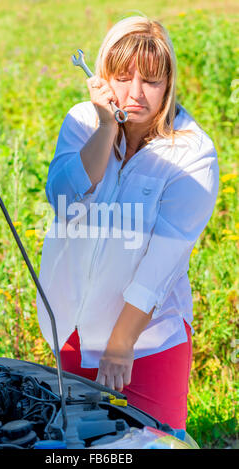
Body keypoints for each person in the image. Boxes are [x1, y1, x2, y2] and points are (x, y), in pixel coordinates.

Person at [36, 16, 219, 430]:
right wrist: (106, 125)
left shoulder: (193, 154)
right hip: (74, 327)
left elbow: (163, 261)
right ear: (101, 76)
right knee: (76, 444)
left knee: (153, 440)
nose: (135, 93)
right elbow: (64, 200)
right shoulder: (83, 121)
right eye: (122, 77)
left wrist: (121, 344)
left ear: (168, 83)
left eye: (151, 81)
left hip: (148, 340)